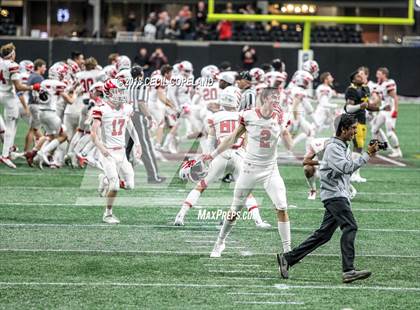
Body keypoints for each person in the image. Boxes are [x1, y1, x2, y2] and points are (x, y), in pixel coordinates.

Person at [277, 113, 380, 283]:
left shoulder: (341, 146)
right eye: (353, 128)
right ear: (343, 129)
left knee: (323, 235)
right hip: (334, 196)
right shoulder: (333, 148)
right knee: (350, 226)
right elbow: (346, 168)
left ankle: (287, 259)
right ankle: (348, 270)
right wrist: (367, 155)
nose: (355, 132)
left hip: (338, 194)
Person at [204, 86, 293, 258]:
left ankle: (288, 251)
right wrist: (213, 155)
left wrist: (284, 129)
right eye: (274, 97)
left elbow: (289, 144)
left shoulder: (280, 115)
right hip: (249, 167)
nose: (277, 100)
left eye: (278, 97)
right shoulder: (249, 115)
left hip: (270, 169)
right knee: (235, 209)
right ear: (265, 98)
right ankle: (220, 242)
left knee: (282, 206)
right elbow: (232, 138)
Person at [91, 79, 142, 224]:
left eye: (121, 91)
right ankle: (107, 214)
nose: (120, 94)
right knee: (114, 185)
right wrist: (102, 149)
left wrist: (138, 144)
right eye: (116, 91)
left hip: (122, 152)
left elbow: (130, 127)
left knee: (130, 185)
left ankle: (104, 179)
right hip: (108, 152)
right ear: (107, 93)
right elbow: (93, 134)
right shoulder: (101, 109)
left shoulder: (126, 108)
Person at [0, 43, 39, 168]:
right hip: (7, 96)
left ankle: (9, 149)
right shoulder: (12, 65)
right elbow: (18, 87)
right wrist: (33, 87)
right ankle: (5, 155)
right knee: (11, 126)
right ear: (11, 54)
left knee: (7, 126)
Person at [125, 65, 166, 184]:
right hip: (138, 116)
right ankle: (153, 176)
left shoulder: (128, 84)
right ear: (141, 74)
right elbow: (141, 103)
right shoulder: (141, 85)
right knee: (145, 146)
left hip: (128, 116)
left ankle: (121, 174)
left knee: (126, 148)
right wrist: (149, 116)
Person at [344, 69, 380, 183]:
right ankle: (354, 173)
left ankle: (354, 173)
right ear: (354, 80)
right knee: (358, 146)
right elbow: (349, 108)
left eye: (362, 76)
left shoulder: (365, 89)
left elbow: (367, 105)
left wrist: (380, 108)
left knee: (358, 147)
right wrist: (360, 106)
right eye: (358, 77)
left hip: (362, 120)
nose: (361, 77)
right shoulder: (351, 90)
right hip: (353, 121)